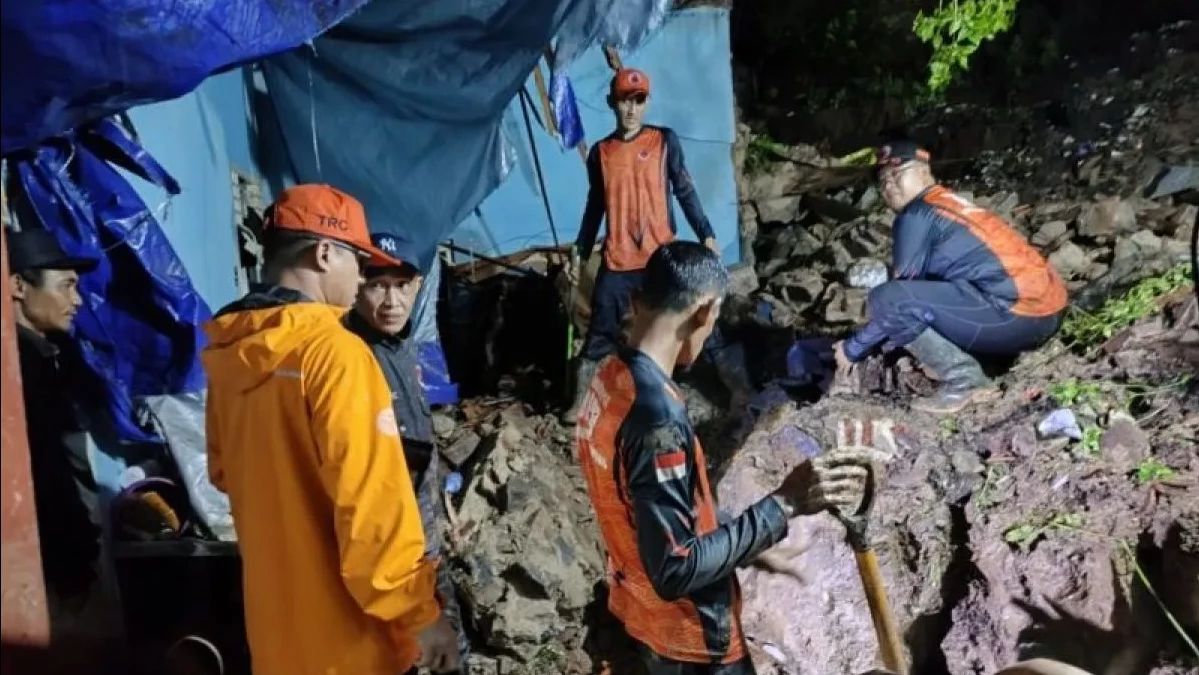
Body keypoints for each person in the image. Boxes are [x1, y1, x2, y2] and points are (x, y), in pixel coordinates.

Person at [575, 241, 878, 674]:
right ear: (704, 312)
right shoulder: (657, 421)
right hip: (690, 639)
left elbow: (648, 507)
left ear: (638, 300)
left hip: (638, 612)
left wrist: (740, 542)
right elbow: (675, 569)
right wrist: (784, 504)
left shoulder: (608, 380)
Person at [202, 184, 441, 675]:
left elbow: (224, 472)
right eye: (358, 259)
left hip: (276, 639)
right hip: (349, 643)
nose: (361, 275)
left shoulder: (230, 356)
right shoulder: (335, 353)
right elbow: (372, 508)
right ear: (325, 253)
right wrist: (421, 616)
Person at [834, 140, 1068, 414]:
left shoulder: (917, 214)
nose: (890, 185)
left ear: (923, 172)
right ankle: (988, 361)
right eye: (883, 182)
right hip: (1050, 313)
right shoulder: (949, 203)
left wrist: (853, 348)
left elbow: (899, 297)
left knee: (887, 297)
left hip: (1019, 317)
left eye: (897, 174)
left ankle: (964, 381)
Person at [565, 67, 721, 420]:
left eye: (638, 100)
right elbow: (594, 208)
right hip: (618, 258)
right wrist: (580, 250)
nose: (631, 108)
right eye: (624, 100)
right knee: (600, 332)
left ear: (647, 102)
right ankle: (582, 403)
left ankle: (688, 391)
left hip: (660, 258)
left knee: (675, 325)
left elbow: (684, 189)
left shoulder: (664, 141)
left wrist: (706, 235)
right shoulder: (601, 153)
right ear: (611, 103)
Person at [345, 233, 466, 673]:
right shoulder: (352, 359)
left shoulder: (401, 349)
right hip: (394, 562)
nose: (391, 300)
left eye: (403, 285)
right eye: (378, 285)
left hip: (426, 548)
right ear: (355, 284)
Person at [7, 228, 107, 671]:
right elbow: (48, 473)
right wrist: (73, 561)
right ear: (18, 286)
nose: (79, 300)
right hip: (49, 570)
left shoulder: (50, 358)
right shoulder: (22, 371)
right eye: (66, 285)